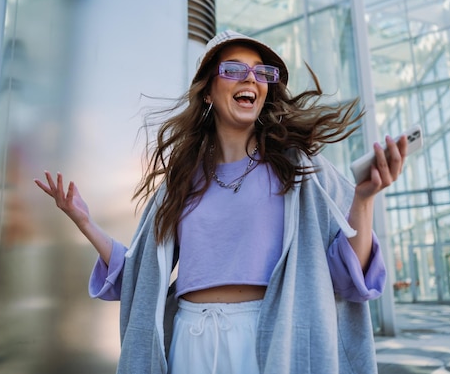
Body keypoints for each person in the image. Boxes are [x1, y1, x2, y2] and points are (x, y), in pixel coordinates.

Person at [34, 30, 407, 374]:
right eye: (233, 69)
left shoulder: (303, 171)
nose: (250, 79)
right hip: (191, 339)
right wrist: (85, 222)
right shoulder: (180, 181)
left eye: (261, 73)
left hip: (269, 338)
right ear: (208, 91)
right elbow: (139, 275)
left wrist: (363, 199)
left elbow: (349, 280)